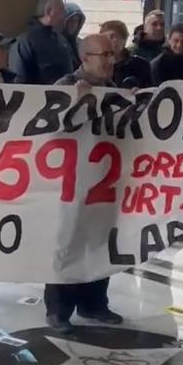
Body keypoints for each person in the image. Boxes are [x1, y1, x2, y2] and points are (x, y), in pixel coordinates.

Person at [44, 34, 126, 334]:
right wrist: (75, 102)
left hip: (104, 184)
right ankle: (58, 309)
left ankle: (94, 304)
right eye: (102, 54)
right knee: (69, 243)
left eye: (112, 54)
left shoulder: (114, 91)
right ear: (85, 58)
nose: (109, 60)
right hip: (71, 184)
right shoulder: (65, 86)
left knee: (100, 243)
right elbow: (48, 128)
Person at [10, 0, 76, 84]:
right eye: (62, 11)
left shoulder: (62, 40)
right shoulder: (25, 42)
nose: (65, 16)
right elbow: (19, 81)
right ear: (49, 11)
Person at [100, 20, 151, 88]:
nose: (108, 40)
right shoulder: (97, 64)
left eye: (112, 36)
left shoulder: (141, 65)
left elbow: (149, 91)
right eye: (104, 37)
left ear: (124, 39)